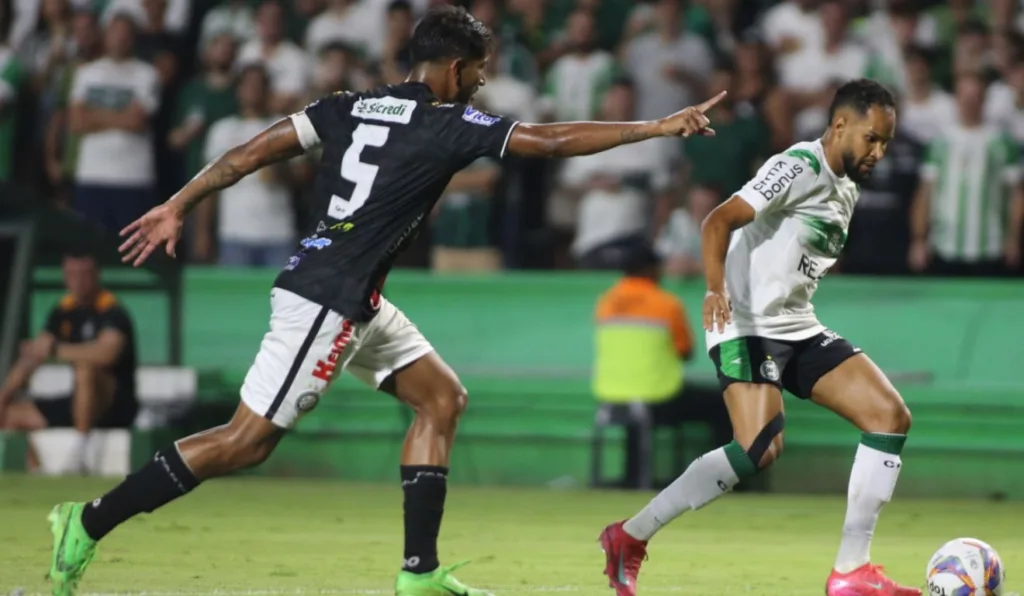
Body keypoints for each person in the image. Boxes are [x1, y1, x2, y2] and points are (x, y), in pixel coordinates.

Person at [46, 6, 725, 596]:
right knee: (244, 442)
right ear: (455, 68)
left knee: (442, 399)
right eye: (479, 70)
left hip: (352, 296)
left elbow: (252, 151)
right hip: (324, 302)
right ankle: (88, 521)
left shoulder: (346, 106)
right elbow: (547, 142)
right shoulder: (447, 122)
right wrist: (657, 128)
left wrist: (178, 203)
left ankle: (418, 571)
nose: (482, 82)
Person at [599, 79, 921, 596]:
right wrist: (712, 289)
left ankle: (851, 571)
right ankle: (629, 536)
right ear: (840, 125)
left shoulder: (848, 184)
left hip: (795, 323)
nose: (879, 152)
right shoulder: (799, 166)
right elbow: (717, 220)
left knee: (888, 417)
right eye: (871, 138)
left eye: (885, 142)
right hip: (743, 319)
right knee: (758, 447)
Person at [0, 252, 138, 474]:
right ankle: (36, 473)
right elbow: (34, 356)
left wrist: (56, 350)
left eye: (83, 274)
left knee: (85, 368)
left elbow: (107, 354)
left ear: (95, 275)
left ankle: (80, 456)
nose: (78, 281)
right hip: (78, 401)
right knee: (8, 414)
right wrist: (3, 397)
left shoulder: (112, 311)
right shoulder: (63, 310)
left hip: (113, 404)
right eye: (72, 274)